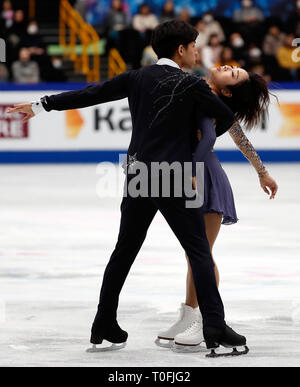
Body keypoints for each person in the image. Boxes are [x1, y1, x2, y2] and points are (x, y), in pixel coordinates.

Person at [8, 21, 252, 358]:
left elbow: (90, 94)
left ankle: (103, 322)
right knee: (198, 251)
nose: (197, 52)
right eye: (194, 47)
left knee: (124, 251)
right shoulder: (191, 85)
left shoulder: (137, 77)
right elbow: (224, 119)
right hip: (175, 175)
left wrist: (41, 104)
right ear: (181, 49)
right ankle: (213, 324)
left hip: (138, 173)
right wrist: (193, 140)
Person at [156, 64, 278, 351]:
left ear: (226, 90)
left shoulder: (214, 104)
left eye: (234, 73)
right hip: (184, 174)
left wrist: (262, 172)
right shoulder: (199, 89)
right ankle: (188, 314)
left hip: (204, 178)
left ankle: (208, 319)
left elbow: (238, 138)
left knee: (202, 254)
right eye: (235, 67)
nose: (229, 66)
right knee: (192, 253)